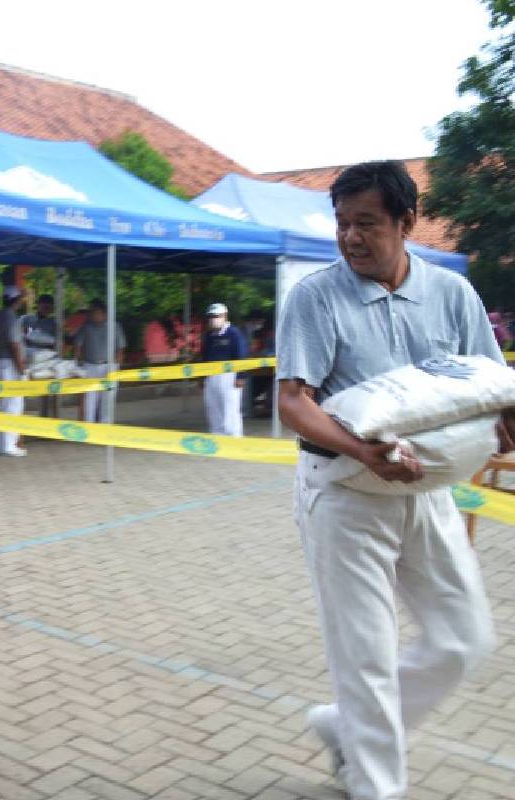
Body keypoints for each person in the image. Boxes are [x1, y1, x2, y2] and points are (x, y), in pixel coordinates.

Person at [276, 160, 512, 800]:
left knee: (464, 638)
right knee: (367, 661)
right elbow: (293, 403)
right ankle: (375, 783)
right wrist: (362, 446)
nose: (351, 237)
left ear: (407, 223)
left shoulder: (450, 294)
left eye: (367, 224)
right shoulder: (316, 296)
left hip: (427, 490)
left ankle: (345, 729)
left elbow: (490, 380)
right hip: (346, 492)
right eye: (342, 224)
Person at [73, 299, 127, 424]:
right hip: (89, 366)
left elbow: (121, 348)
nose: (91, 314)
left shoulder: (115, 326)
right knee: (90, 399)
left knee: (107, 398)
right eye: (90, 312)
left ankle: (105, 426)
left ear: (104, 313)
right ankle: (89, 426)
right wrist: (77, 365)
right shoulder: (86, 326)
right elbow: (77, 346)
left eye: (94, 312)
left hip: (109, 365)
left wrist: (116, 366)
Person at [200, 302, 248, 437]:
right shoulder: (209, 336)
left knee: (230, 407)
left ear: (225, 316)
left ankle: (234, 436)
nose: (213, 319)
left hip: (229, 376)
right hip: (211, 375)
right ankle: (217, 434)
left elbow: (241, 354)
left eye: (216, 316)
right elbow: (204, 356)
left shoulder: (234, 333)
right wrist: (202, 377)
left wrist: (241, 376)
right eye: (211, 316)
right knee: (213, 406)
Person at [0, 285, 27, 456]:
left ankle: (4, 444)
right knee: (12, 405)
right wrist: (21, 366)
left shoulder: (0, 315)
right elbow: (14, 344)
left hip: (2, 363)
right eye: (20, 298)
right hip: (10, 364)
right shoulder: (11, 317)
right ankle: (8, 445)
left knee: (6, 404)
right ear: (16, 300)